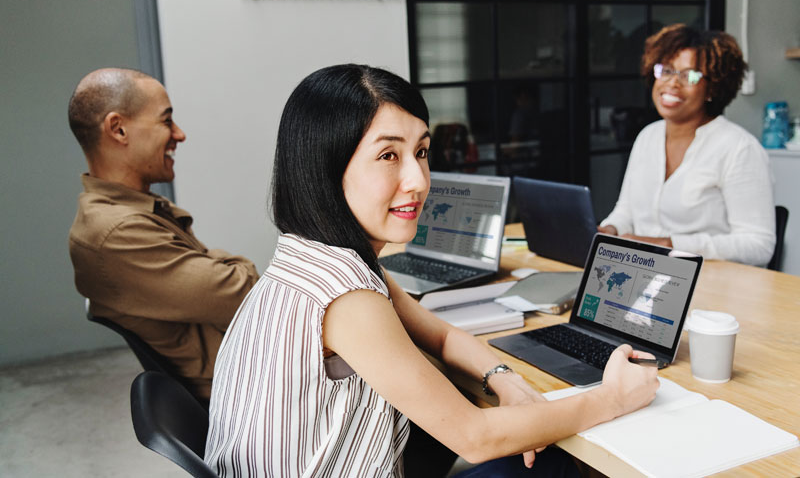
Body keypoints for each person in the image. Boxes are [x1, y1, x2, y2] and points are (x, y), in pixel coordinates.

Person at [204, 64, 659, 477]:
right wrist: (613, 397)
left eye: (421, 152)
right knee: (554, 464)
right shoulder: (346, 297)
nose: (419, 181)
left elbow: (441, 337)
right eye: (388, 156)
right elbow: (475, 438)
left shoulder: (315, 255)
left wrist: (505, 380)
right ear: (326, 168)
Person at [67, 68, 260, 403]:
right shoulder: (117, 232)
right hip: (251, 398)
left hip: (252, 372)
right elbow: (245, 294)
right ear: (118, 128)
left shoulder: (136, 209)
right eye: (166, 121)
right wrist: (232, 265)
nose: (179, 134)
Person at [599, 24, 776, 266]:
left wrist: (670, 244)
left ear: (712, 87)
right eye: (666, 71)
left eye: (689, 75)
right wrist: (610, 229)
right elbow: (627, 211)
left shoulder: (739, 148)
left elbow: (758, 245)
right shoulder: (647, 137)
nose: (672, 83)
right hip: (640, 273)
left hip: (712, 284)